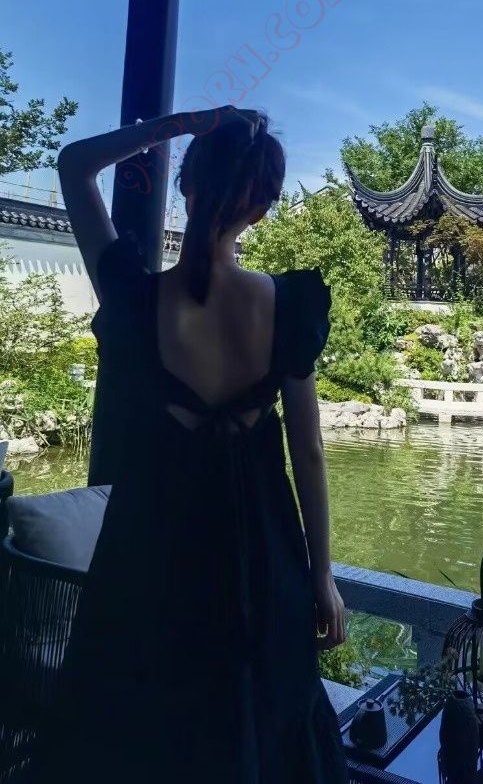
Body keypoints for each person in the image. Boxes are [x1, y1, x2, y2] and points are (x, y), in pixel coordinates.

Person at [22, 107, 349, 783]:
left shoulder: (132, 296)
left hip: (148, 549)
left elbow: (74, 164)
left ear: (187, 186)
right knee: (261, 716)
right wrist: (321, 574)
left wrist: (177, 125)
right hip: (261, 552)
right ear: (261, 209)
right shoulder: (287, 304)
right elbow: (309, 453)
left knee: (142, 729)